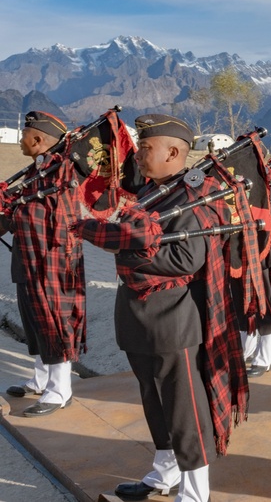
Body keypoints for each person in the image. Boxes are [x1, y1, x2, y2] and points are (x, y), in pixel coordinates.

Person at [77, 114, 247, 502]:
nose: (138, 154)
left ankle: (194, 492)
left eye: (146, 148)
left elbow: (187, 257)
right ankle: (164, 473)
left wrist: (124, 251)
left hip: (174, 319)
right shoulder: (152, 193)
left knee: (184, 409)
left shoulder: (193, 194)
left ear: (173, 152)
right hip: (138, 315)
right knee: (154, 400)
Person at [1, 111, 82, 417]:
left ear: (37, 139)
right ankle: (41, 378)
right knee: (34, 323)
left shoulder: (61, 174)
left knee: (53, 324)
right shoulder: (38, 171)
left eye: (24, 133)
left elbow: (59, 220)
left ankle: (60, 391)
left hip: (51, 263)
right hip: (29, 259)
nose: (21, 139)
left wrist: (11, 209)